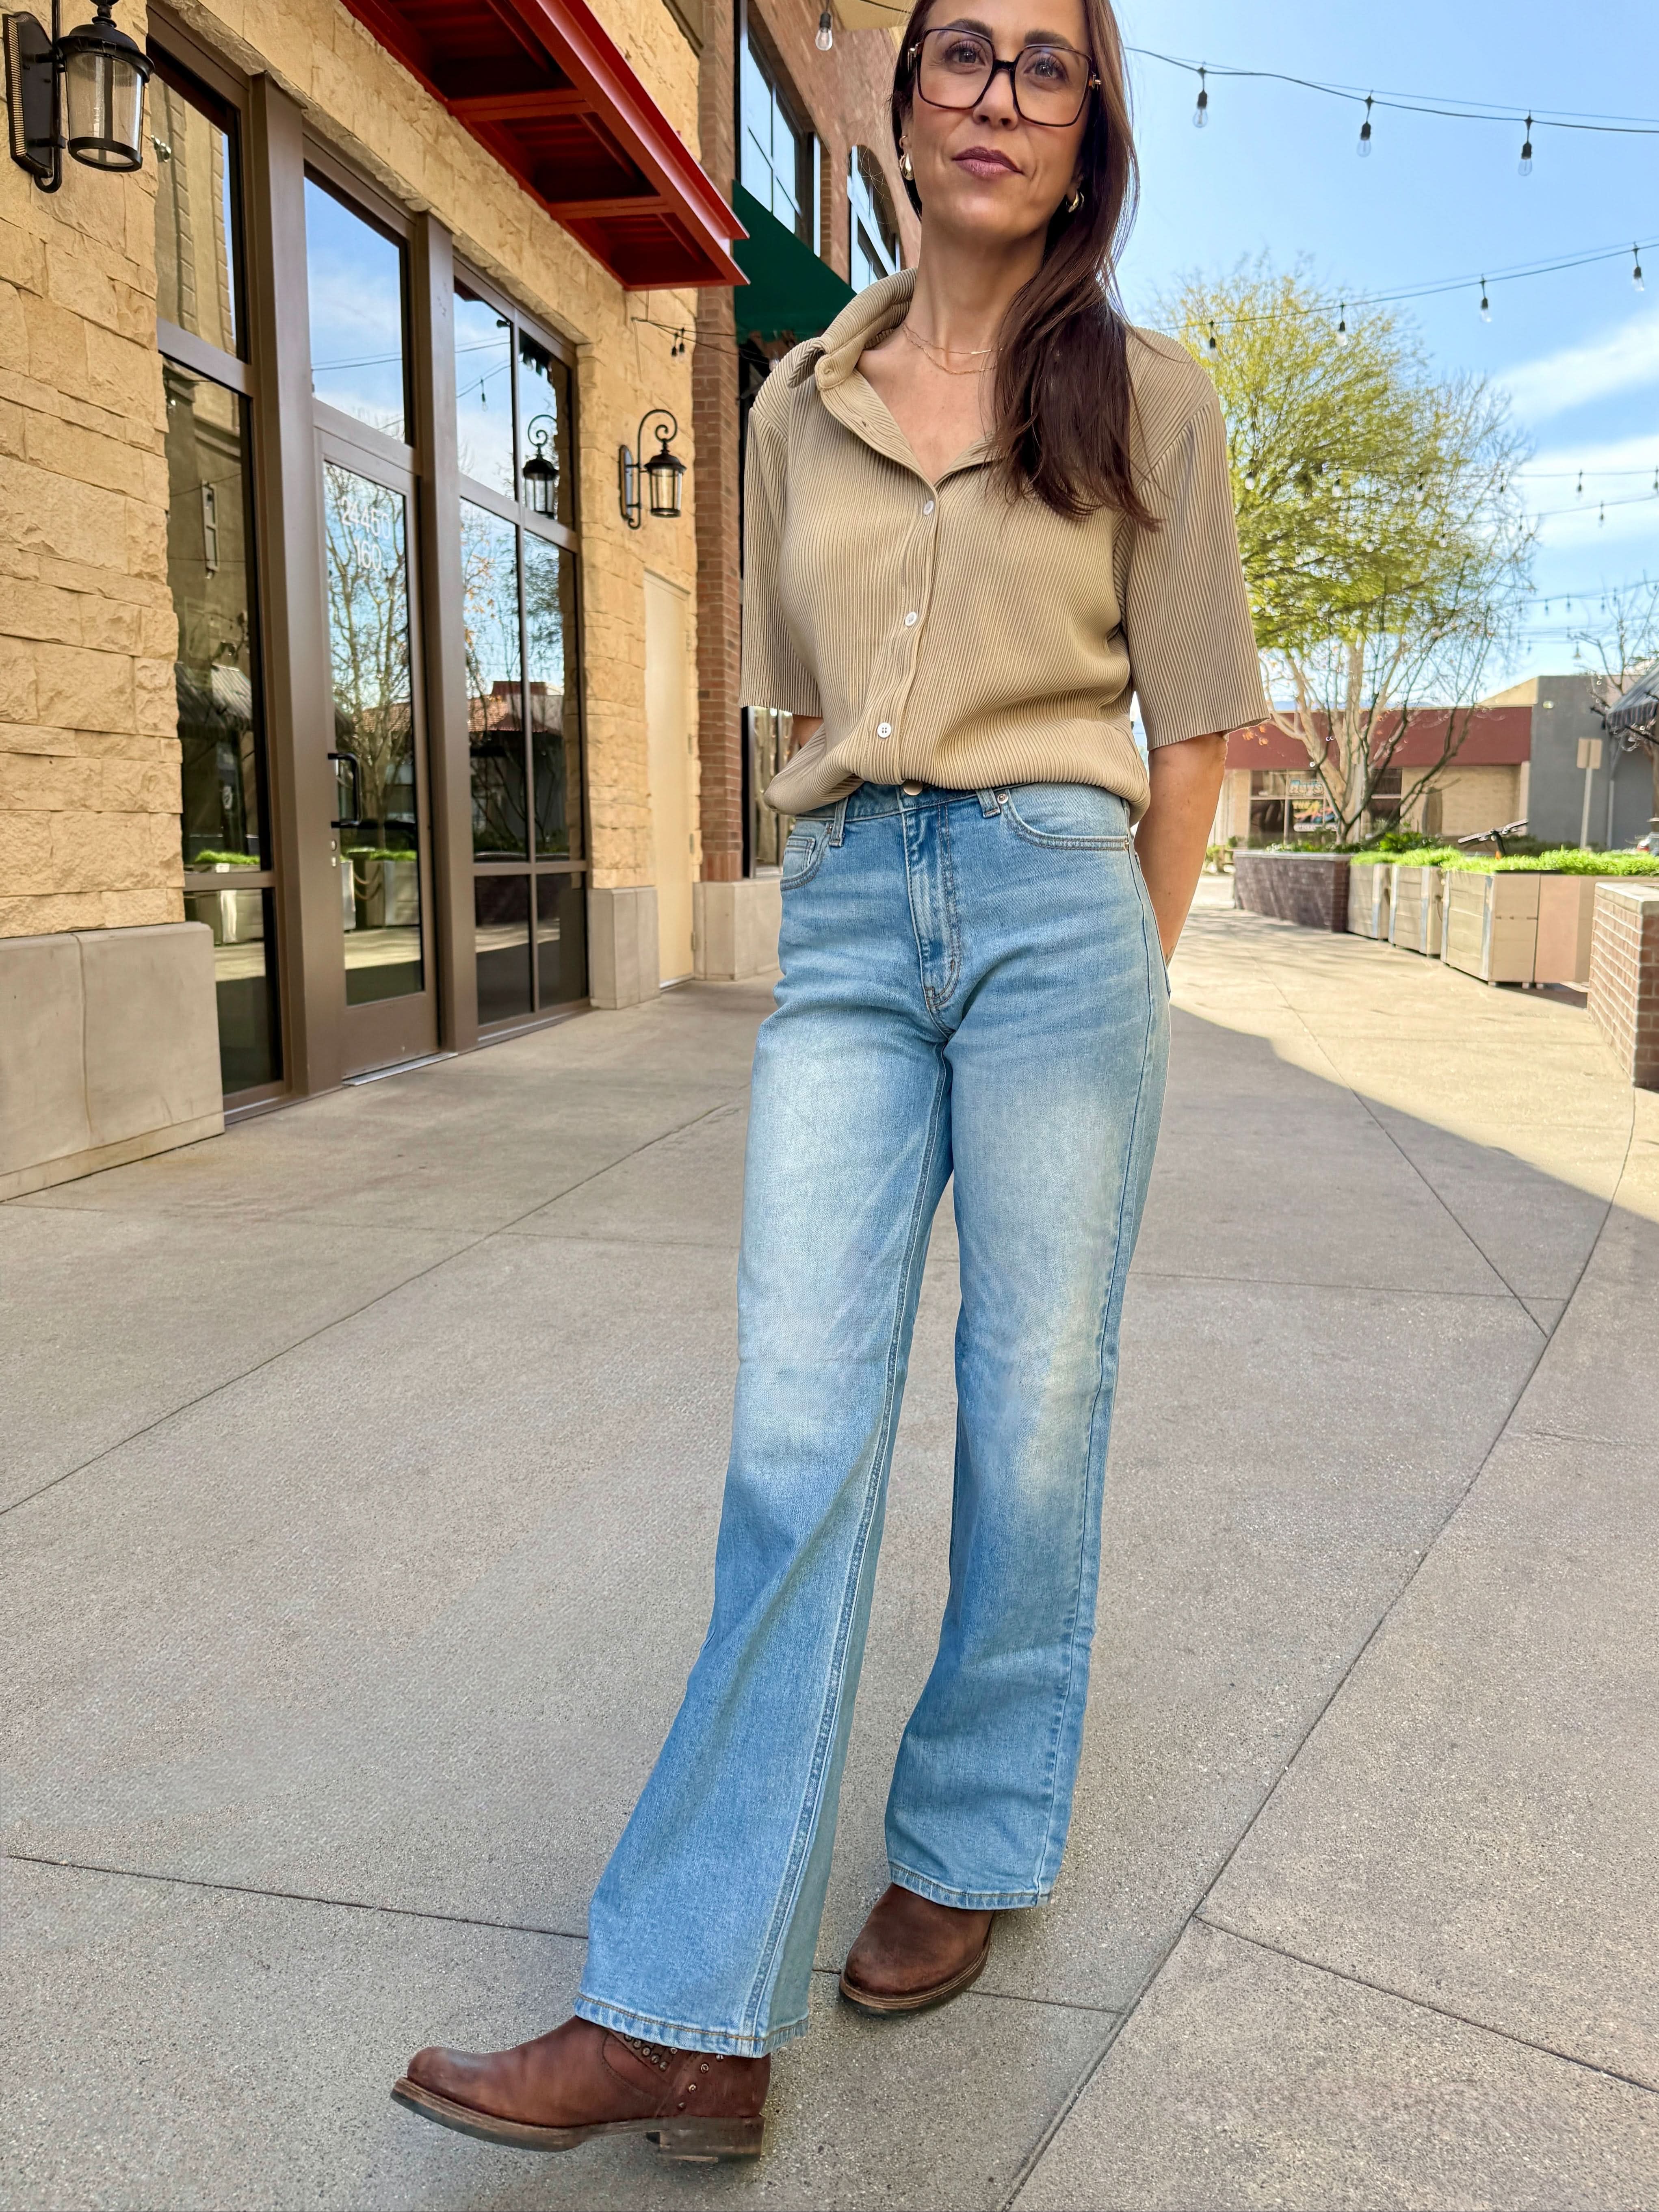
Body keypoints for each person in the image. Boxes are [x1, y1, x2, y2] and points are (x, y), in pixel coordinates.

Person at [394, 0, 1263, 2163]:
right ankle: (692, 2004)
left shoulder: (1154, 402)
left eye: (1040, 69)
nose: (989, 92)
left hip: (1065, 904)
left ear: (1087, 142)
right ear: (892, 111)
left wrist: (1121, 982)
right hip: (857, 922)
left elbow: (1187, 745)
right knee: (797, 1433)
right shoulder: (789, 401)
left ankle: (964, 1841)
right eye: (955, 53)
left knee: (1034, 1411)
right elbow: (797, 712)